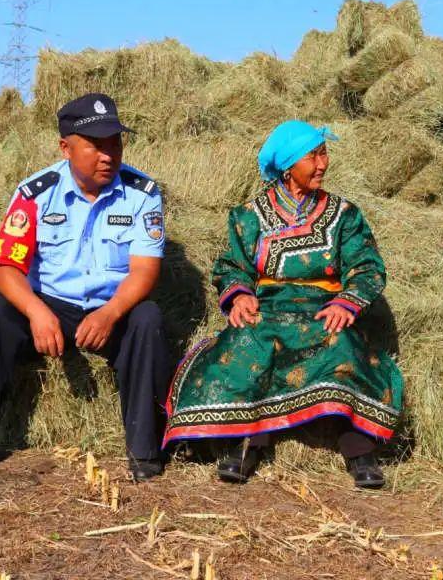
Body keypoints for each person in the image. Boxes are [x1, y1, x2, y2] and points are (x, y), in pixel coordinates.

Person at [162, 120, 403, 489]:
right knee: (248, 344)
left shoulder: (344, 214)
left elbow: (367, 267)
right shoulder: (248, 215)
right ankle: (245, 443)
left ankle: (358, 450)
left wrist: (346, 302)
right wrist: (240, 294)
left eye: (324, 153)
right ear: (289, 165)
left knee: (339, 345)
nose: (323, 163)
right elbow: (231, 266)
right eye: (313, 156)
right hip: (267, 310)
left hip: (323, 310)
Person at [0, 92, 172, 482]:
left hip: (110, 307)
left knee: (148, 318)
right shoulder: (34, 193)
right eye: (96, 146)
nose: (108, 155)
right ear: (65, 147)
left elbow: (144, 271)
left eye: (115, 144)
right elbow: (5, 268)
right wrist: (37, 313)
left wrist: (111, 313)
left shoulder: (143, 193)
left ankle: (144, 451)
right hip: (49, 302)